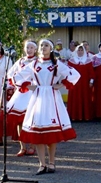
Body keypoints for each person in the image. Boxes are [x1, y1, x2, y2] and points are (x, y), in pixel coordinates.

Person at [13, 39, 81, 175]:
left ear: (51, 49)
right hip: (38, 98)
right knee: (38, 131)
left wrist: (62, 84)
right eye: (41, 45)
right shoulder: (33, 64)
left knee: (51, 132)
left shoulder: (56, 64)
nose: (43, 47)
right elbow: (16, 76)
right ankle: (41, 164)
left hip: (51, 98)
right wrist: (27, 85)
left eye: (46, 45)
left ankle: (51, 162)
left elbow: (75, 74)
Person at [6, 40, 38, 156]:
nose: (29, 50)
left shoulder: (38, 62)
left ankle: (32, 146)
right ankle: (22, 147)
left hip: (33, 91)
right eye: (27, 47)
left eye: (31, 47)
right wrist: (17, 83)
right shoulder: (20, 61)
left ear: (35, 49)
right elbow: (10, 73)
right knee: (20, 121)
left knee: (33, 120)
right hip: (21, 92)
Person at [67, 44, 95, 121]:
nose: (80, 51)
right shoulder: (71, 61)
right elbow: (68, 72)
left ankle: (85, 116)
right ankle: (74, 116)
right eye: (78, 50)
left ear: (84, 51)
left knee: (85, 99)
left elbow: (91, 72)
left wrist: (91, 81)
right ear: (76, 51)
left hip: (85, 84)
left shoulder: (88, 61)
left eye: (81, 50)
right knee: (75, 99)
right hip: (74, 84)